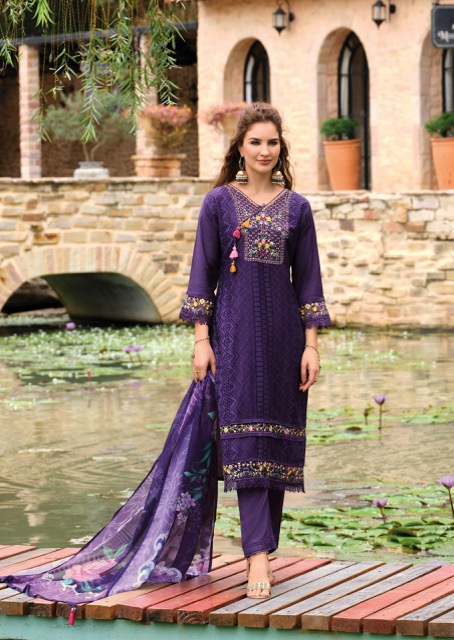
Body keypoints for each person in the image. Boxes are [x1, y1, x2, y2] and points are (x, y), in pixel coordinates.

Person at [179, 102, 331, 599]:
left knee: (277, 444)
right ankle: (258, 556)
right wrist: (201, 339)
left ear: (280, 148)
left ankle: (263, 547)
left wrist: (311, 346)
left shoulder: (298, 208)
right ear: (240, 148)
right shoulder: (219, 204)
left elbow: (308, 282)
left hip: (286, 340)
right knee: (245, 441)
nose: (265, 151)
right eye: (255, 142)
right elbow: (202, 275)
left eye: (272, 142)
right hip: (234, 337)